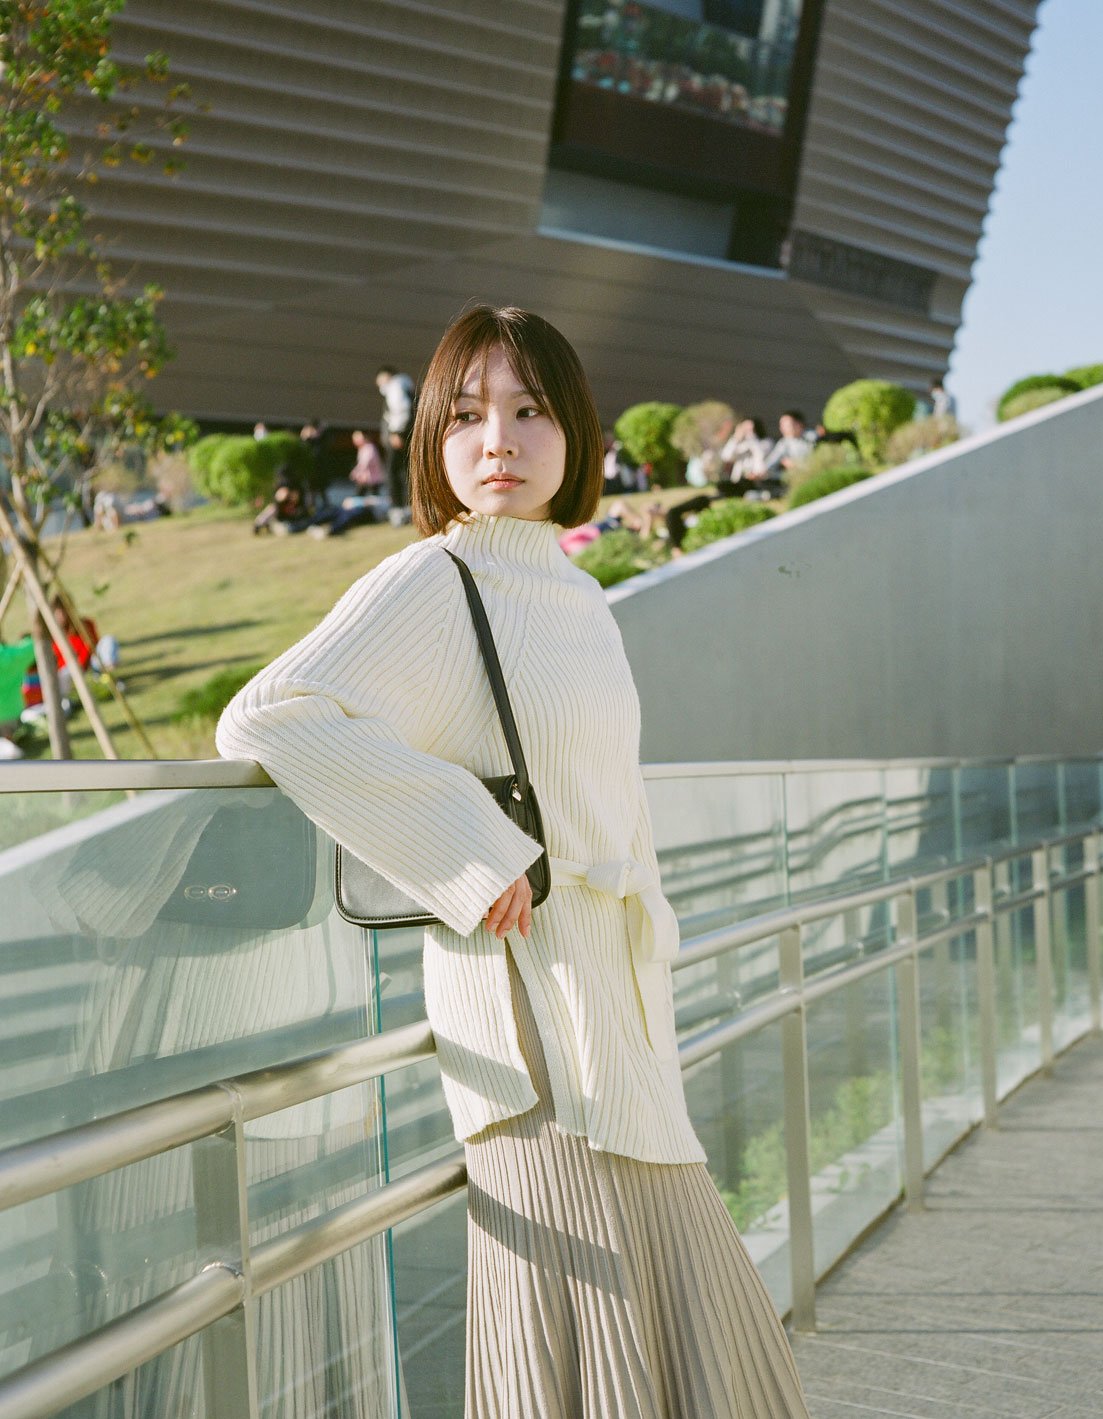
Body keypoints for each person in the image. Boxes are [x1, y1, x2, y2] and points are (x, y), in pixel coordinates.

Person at [216, 305, 813, 1418]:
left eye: (530, 411)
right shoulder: (431, 583)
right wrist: (466, 843)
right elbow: (267, 716)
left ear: (575, 433)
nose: (498, 440)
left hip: (616, 1007)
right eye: (467, 414)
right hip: (527, 1002)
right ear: (430, 444)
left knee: (689, 1312)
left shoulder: (579, 594)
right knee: (584, 1315)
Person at [376, 364, 416, 515]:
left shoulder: (395, 386)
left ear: (387, 376)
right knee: (406, 470)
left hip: (399, 435)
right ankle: (409, 506)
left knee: (394, 472)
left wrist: (396, 433)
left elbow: (400, 410)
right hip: (405, 434)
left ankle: (399, 507)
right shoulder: (405, 385)